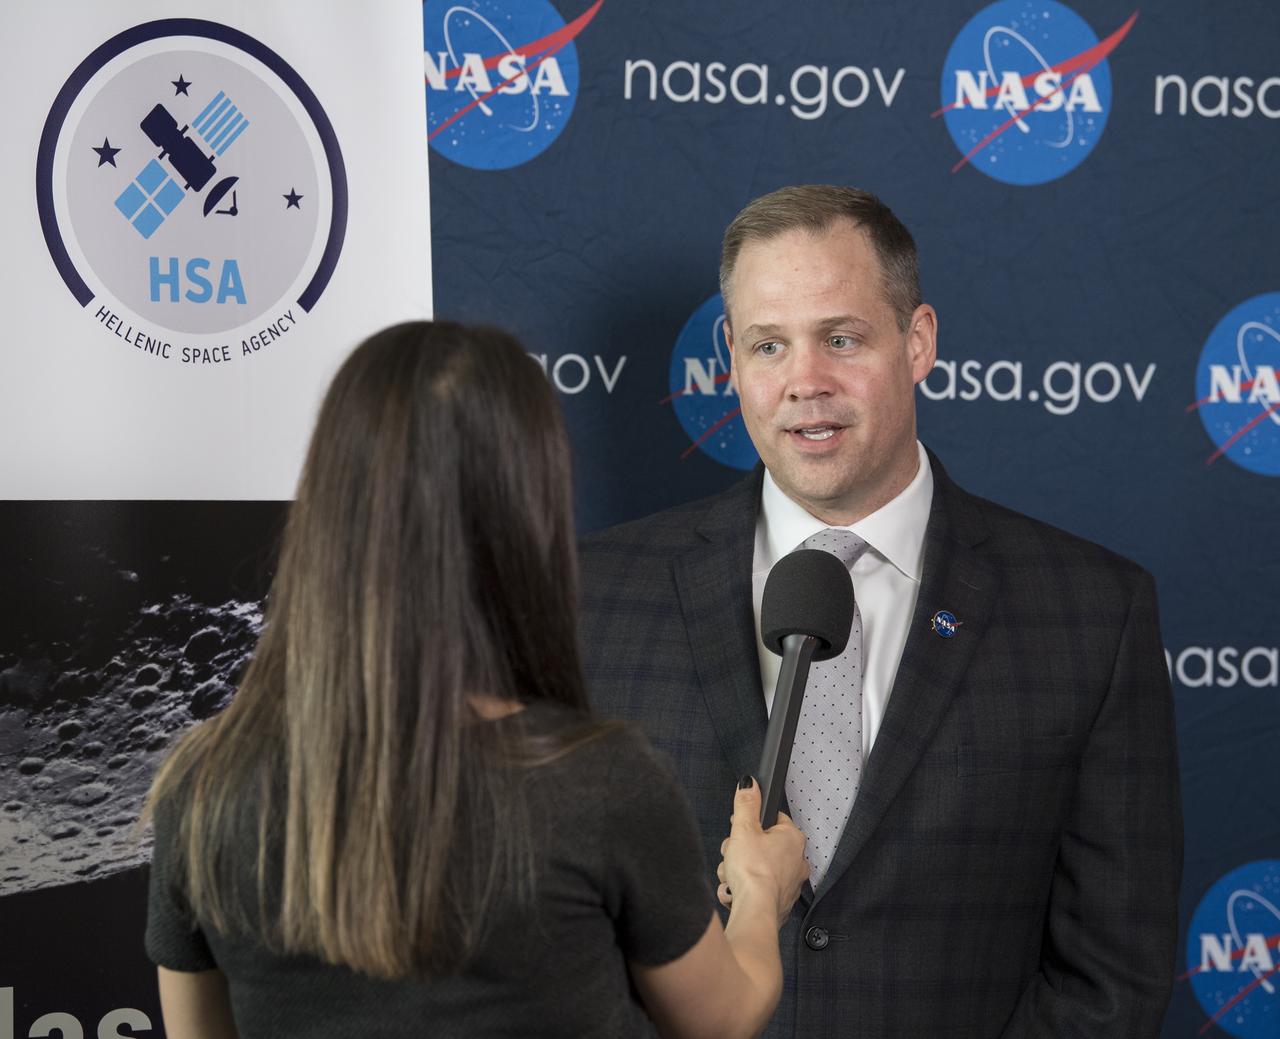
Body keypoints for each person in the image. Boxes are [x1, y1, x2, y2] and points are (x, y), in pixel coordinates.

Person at [579, 186, 1183, 1038]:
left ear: (918, 342)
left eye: (841, 338)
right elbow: (558, 944)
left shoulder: (1092, 612)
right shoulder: (595, 594)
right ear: (732, 358)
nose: (804, 382)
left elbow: (1112, 976)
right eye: (768, 344)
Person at [143, 321, 809, 1039]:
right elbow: (724, 1017)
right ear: (528, 510)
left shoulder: (205, 785)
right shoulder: (601, 784)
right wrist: (761, 888)